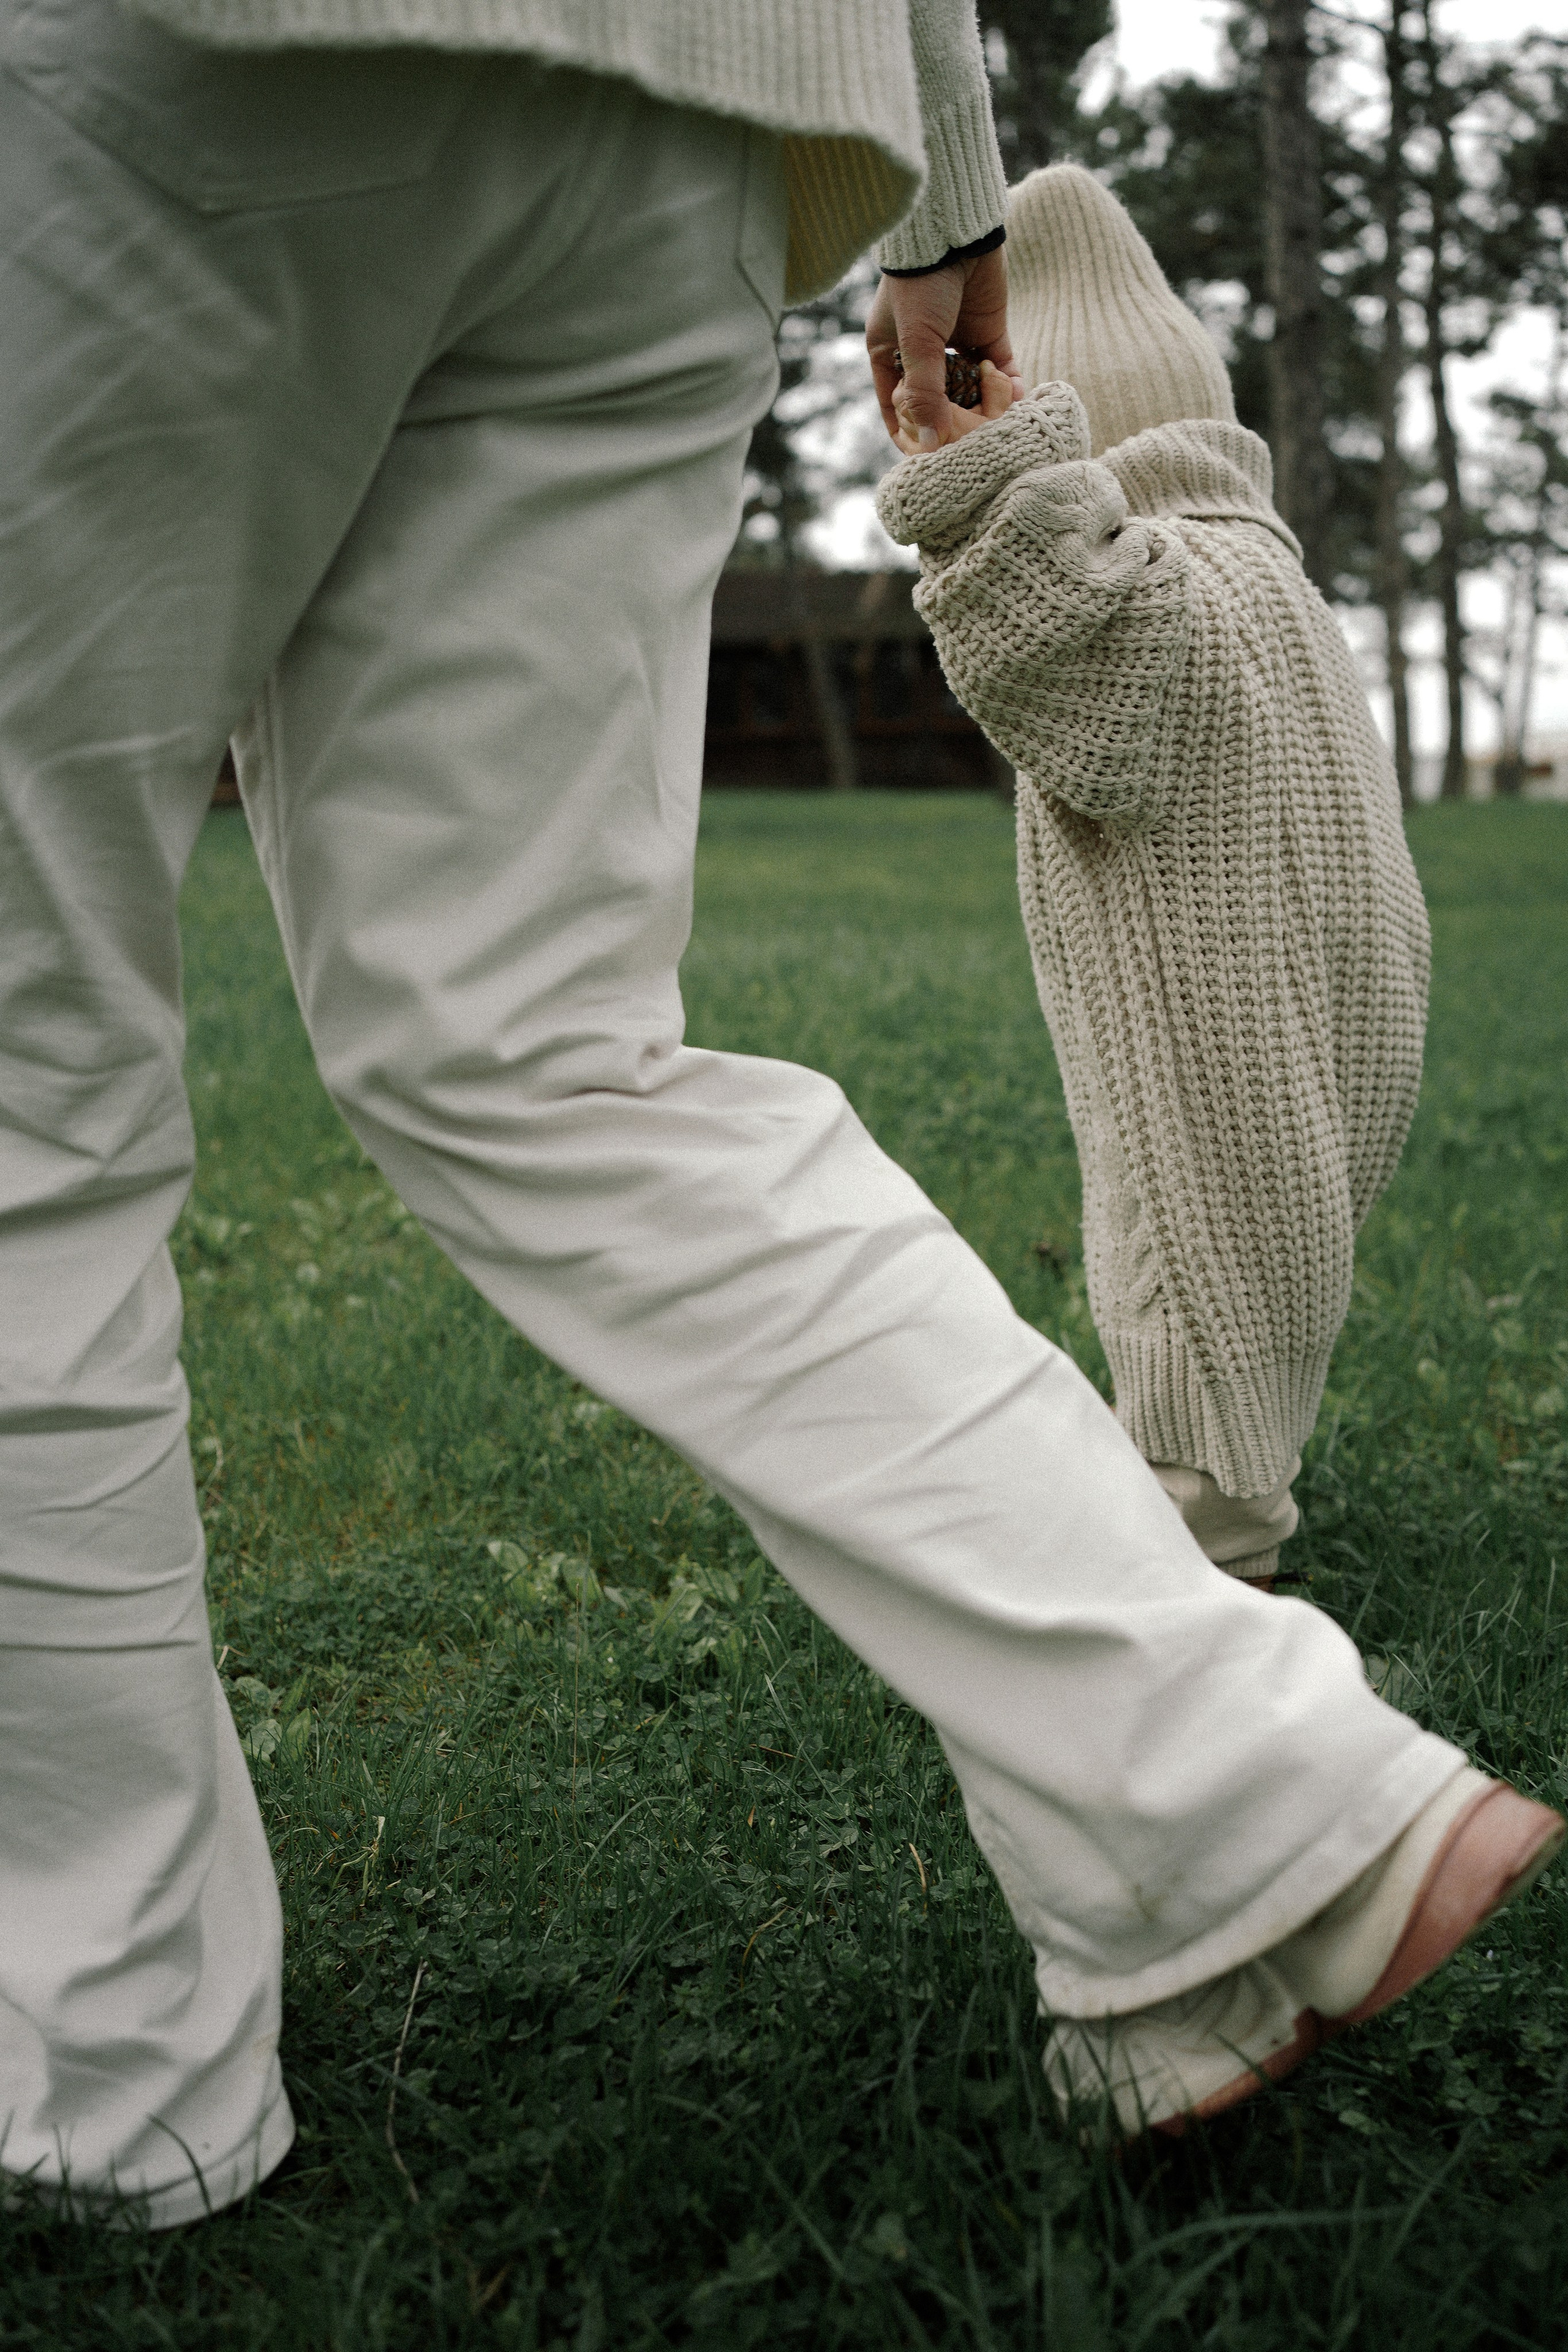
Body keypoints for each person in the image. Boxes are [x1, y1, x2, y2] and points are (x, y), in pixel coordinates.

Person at [0, 0, 1558, 2221]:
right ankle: (1235, 1785)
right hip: (721, 107)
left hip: (198, 58)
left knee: (20, 1097)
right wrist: (945, 205)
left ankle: (106, 2072)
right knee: (546, 1052)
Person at [876, 163, 1431, 1598]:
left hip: (1207, 1047)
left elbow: (1066, 623)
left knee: (1188, 1275)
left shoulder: (1159, 585)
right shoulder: (1270, 573)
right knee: (1270, 1259)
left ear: (1078, 443)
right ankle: (1232, 1499)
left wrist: (976, 474)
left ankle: (1202, 1585)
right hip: (1329, 1023)